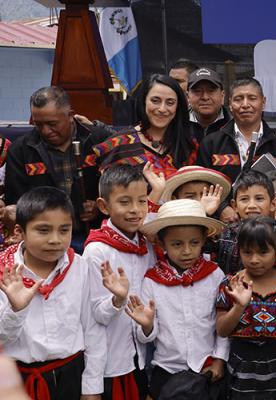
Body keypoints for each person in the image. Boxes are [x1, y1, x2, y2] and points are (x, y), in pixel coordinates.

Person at [0, 187, 106, 399]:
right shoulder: (5, 273)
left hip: (71, 374)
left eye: (64, 230)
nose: (55, 239)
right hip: (19, 379)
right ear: (20, 232)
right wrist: (16, 310)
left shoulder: (80, 267)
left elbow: (92, 328)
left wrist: (92, 387)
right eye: (43, 230)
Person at [130, 199, 228, 399]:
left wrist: (219, 358)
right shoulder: (151, 281)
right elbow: (145, 336)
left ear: (204, 240)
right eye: (177, 244)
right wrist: (147, 325)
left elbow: (223, 322)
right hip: (166, 369)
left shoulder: (214, 275)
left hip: (206, 368)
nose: (186, 251)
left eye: (194, 243)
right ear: (161, 243)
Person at [5, 86, 109, 251]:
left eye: (52, 124)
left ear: (70, 115)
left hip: (95, 238)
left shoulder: (99, 140)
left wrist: (99, 206)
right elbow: (16, 202)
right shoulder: (20, 151)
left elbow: (117, 188)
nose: (46, 131)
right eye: (38, 124)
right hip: (44, 242)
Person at [83, 165, 154, 400]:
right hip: (110, 361)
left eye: (142, 201)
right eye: (125, 202)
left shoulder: (147, 245)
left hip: (142, 356)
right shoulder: (97, 251)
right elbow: (95, 315)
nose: (135, 210)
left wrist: (148, 327)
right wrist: (118, 299)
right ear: (104, 206)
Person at [216, 216, 276, 399]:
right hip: (241, 374)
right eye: (247, 252)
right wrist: (239, 306)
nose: (254, 260)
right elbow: (222, 330)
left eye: (263, 252)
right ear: (239, 250)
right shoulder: (230, 284)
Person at [198, 77, 276, 185]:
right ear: (230, 104)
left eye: (252, 98)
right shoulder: (211, 143)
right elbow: (202, 185)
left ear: (263, 102)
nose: (245, 105)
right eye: (238, 99)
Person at [92, 74, 197, 178]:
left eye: (170, 103)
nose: (162, 109)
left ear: (178, 107)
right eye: (155, 101)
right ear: (144, 101)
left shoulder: (188, 144)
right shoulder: (117, 144)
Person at [216, 170, 276, 275]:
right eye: (244, 199)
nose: (252, 205)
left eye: (259, 199)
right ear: (235, 206)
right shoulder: (225, 235)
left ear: (273, 204)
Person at [158, 166, 231, 218]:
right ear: (174, 199)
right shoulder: (168, 225)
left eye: (206, 195)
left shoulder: (221, 227)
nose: (200, 201)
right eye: (190, 197)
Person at [187, 67, 230, 139]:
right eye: (198, 91)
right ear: (188, 97)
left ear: (222, 96)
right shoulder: (177, 125)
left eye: (211, 91)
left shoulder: (235, 125)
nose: (205, 97)